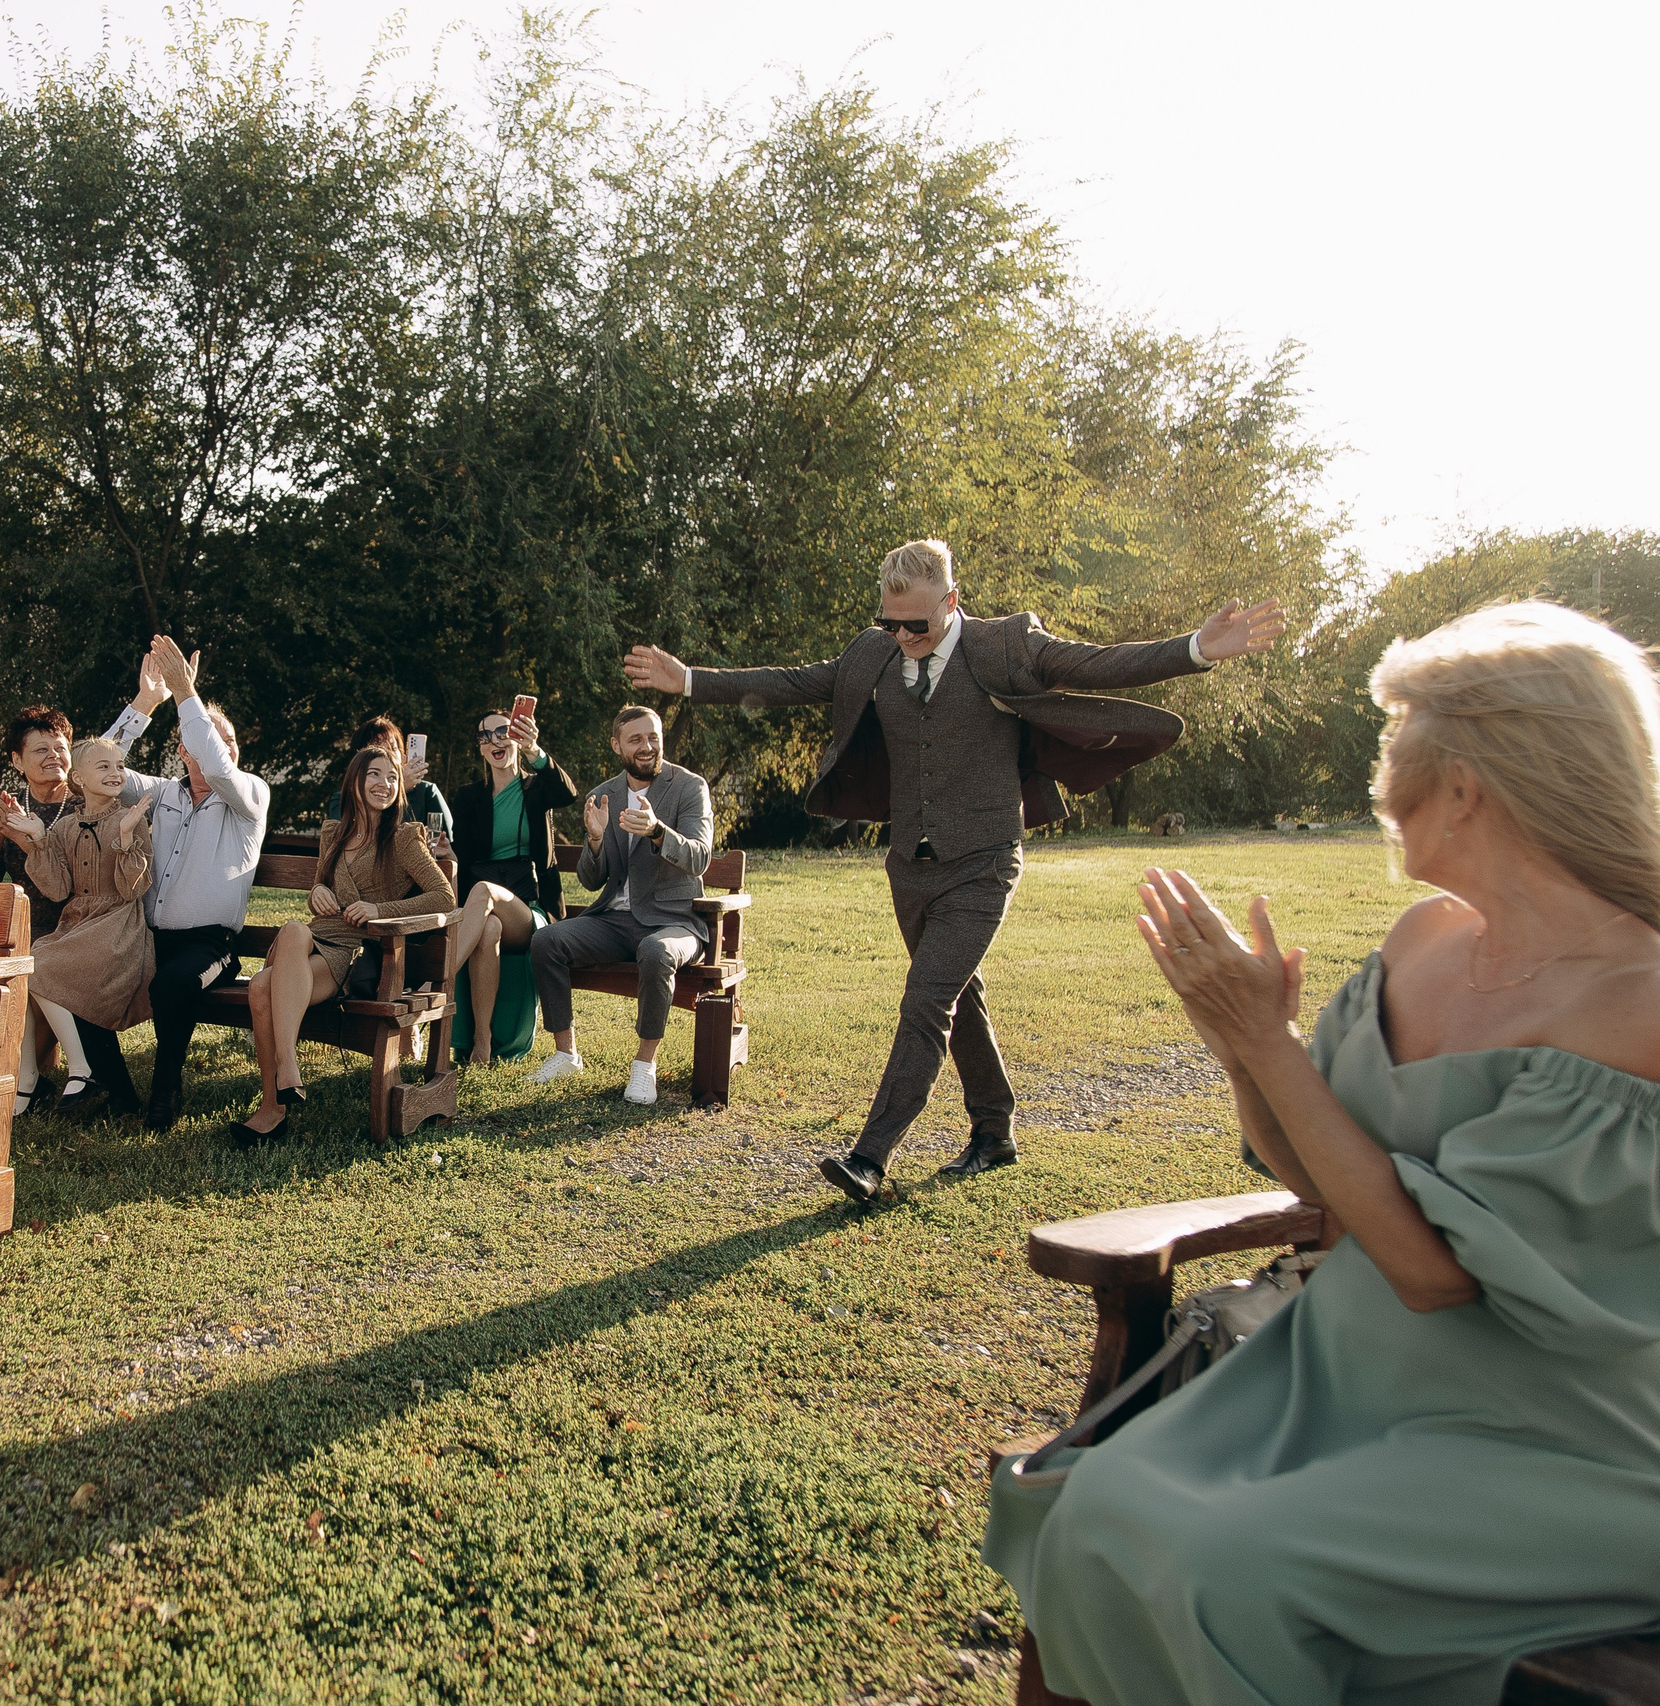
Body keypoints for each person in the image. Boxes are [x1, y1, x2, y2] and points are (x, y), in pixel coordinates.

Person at [986, 601, 1660, 1706]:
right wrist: (1243, 1044)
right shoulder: (1427, 940)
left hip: (1548, 1439)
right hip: (1341, 1376)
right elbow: (1311, 1174)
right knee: (1098, 1506)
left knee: (1222, 1568)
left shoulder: (1635, 1001)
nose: (1378, 771)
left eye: (1398, 740)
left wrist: (1265, 1040)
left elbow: (1435, 1271)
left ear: (1467, 781)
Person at [627, 537, 1286, 1197]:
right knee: (957, 995)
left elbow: (1100, 665)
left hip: (986, 859)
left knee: (926, 999)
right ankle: (994, 1132)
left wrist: (1195, 649)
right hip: (909, 865)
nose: (903, 635)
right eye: (891, 622)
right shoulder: (875, 653)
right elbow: (792, 683)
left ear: (952, 602)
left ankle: (870, 1156)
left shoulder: (1006, 645)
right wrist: (686, 679)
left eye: (917, 623)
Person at [78, 636, 271, 1131]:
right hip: (146, 940)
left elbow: (221, 766)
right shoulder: (161, 792)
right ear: (183, 747)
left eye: (227, 741)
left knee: (174, 984)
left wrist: (188, 692)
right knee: (81, 983)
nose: (219, 747)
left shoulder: (247, 795)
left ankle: (164, 1093)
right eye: (207, 736)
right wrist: (146, 703)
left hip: (211, 948)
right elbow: (98, 766)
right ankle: (121, 1095)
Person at [237, 744, 454, 1142]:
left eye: (392, 777)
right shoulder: (333, 833)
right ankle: (285, 1077)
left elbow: (444, 897)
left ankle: (275, 1103)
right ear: (355, 780)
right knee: (293, 932)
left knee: (261, 984)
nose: (384, 783)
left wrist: (378, 909)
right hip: (315, 940)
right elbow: (321, 882)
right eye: (374, 774)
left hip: (355, 953)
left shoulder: (404, 837)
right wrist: (316, 890)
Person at [526, 706, 713, 1105]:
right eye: (636, 739)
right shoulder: (603, 793)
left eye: (653, 738)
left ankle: (644, 1068)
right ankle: (565, 1053)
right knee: (546, 941)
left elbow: (700, 857)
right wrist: (594, 841)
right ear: (617, 745)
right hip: (614, 920)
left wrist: (658, 831)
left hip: (674, 922)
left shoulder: (688, 787)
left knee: (655, 951)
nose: (647, 747)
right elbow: (593, 880)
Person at [8, 737, 156, 1119]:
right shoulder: (66, 827)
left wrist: (125, 838)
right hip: (78, 922)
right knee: (21, 970)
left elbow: (132, 890)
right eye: (103, 766)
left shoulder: (131, 821)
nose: (115, 773)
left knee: (39, 962)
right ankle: (28, 1077)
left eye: (120, 766)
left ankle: (81, 1068)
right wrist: (40, 839)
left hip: (117, 926)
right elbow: (57, 888)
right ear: (78, 778)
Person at [444, 703, 576, 1065]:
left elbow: (568, 794)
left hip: (528, 908)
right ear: (481, 748)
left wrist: (536, 752)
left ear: (517, 738)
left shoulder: (536, 789)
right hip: (484, 909)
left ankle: (438, 979)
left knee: (484, 891)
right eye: (485, 736)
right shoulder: (469, 797)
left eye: (503, 731)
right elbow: (463, 855)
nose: (494, 741)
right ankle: (482, 1041)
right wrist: (444, 851)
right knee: (487, 930)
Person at [324, 714, 453, 850]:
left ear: (403, 756)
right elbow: (348, 842)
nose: (385, 753)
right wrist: (399, 789)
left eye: (392, 748)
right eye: (375, 747)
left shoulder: (427, 792)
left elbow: (446, 843)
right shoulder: (343, 797)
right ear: (358, 758)